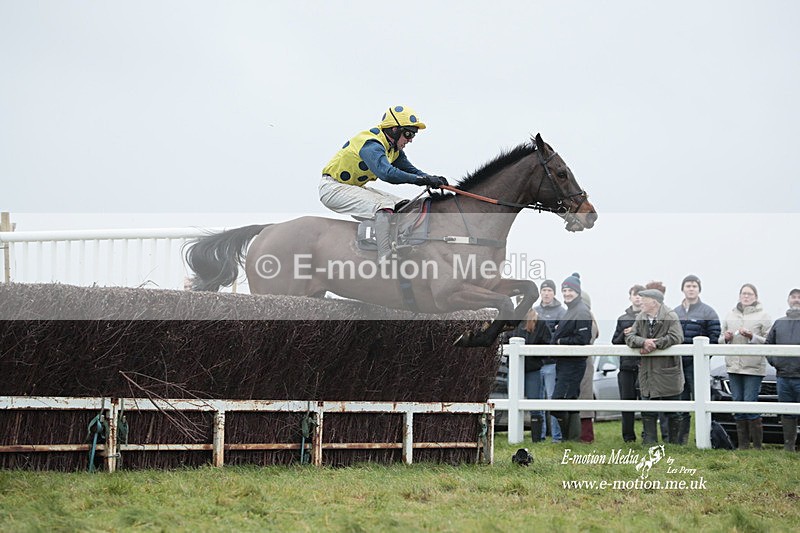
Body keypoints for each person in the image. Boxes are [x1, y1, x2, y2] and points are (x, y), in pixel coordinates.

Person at [319, 105, 448, 261]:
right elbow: (387, 173)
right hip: (332, 189)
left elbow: (410, 170)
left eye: (413, 135)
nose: (411, 139)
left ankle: (398, 242)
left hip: (350, 187)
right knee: (384, 206)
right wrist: (422, 180)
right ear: (394, 129)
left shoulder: (393, 149)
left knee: (403, 205)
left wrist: (432, 178)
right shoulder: (371, 144)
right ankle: (385, 255)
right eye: (408, 134)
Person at [625, 288, 685, 445]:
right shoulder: (641, 316)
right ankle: (649, 443)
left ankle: (674, 444)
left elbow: (677, 336)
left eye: (643, 299)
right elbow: (630, 336)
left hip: (668, 371)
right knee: (648, 410)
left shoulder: (670, 316)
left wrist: (654, 344)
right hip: (648, 372)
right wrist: (643, 342)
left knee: (673, 411)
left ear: (654, 302)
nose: (640, 302)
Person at [720, 283, 772, 449]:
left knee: (750, 403)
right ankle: (743, 445)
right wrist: (726, 338)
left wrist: (752, 336)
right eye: (744, 293)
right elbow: (720, 340)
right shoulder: (730, 314)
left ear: (755, 297)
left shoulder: (764, 315)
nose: (746, 296)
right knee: (737, 404)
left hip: (753, 367)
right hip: (733, 366)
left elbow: (769, 341)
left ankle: (757, 445)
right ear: (739, 296)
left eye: (750, 294)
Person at [673, 274, 721, 445]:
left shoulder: (708, 312)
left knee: (702, 402)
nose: (691, 289)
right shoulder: (675, 312)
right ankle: (681, 441)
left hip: (697, 366)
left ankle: (704, 439)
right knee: (682, 403)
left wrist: (704, 360)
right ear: (682, 289)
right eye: (688, 286)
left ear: (699, 289)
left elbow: (714, 336)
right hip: (678, 365)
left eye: (694, 286)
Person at [550, 273, 592, 442]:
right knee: (567, 399)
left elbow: (583, 339)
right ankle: (570, 439)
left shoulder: (581, 311)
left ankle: (571, 438)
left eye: (570, 290)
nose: (567, 293)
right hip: (564, 364)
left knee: (560, 401)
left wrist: (560, 340)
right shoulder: (572, 310)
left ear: (578, 292)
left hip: (573, 364)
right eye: (564, 290)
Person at [502, 303, 552, 443]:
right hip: (514, 369)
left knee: (535, 405)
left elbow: (547, 345)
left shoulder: (540, 322)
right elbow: (504, 341)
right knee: (513, 403)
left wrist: (533, 356)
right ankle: (514, 438)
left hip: (532, 370)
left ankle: (537, 439)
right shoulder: (511, 320)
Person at [766, 288, 800, 452]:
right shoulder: (779, 323)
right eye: (793, 297)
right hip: (783, 376)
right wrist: (775, 362)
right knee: (786, 412)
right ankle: (789, 446)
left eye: (799, 297)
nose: (796, 300)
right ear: (788, 300)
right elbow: (768, 346)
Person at [612, 284, 645, 443]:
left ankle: (648, 436)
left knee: (647, 404)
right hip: (626, 367)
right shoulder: (622, 319)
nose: (638, 297)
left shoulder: (650, 317)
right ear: (630, 297)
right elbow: (615, 342)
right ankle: (628, 437)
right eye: (635, 294)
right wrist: (624, 334)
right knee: (626, 403)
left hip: (645, 367)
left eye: (640, 295)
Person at [534, 279, 566, 442]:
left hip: (552, 363)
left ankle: (556, 437)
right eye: (543, 290)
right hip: (536, 363)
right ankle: (539, 436)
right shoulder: (534, 311)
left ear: (554, 293)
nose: (546, 293)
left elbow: (559, 334)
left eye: (549, 291)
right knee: (537, 400)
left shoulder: (561, 312)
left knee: (552, 400)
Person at [578, 291, 601, 443]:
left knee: (585, 398)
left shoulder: (588, 321)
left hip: (585, 364)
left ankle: (587, 436)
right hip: (581, 364)